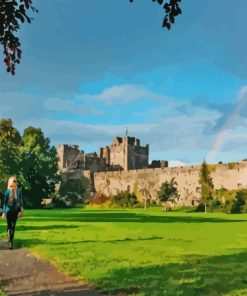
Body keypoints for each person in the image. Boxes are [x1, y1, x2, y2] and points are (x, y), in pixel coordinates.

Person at [2, 176, 24, 249]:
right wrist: (4, 213)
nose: (15, 182)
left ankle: (11, 241)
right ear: (10, 182)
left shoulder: (19, 191)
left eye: (16, 181)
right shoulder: (7, 192)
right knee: (9, 225)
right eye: (14, 181)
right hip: (9, 211)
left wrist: (21, 211)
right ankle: (9, 236)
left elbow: (20, 202)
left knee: (13, 225)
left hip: (15, 211)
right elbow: (5, 203)